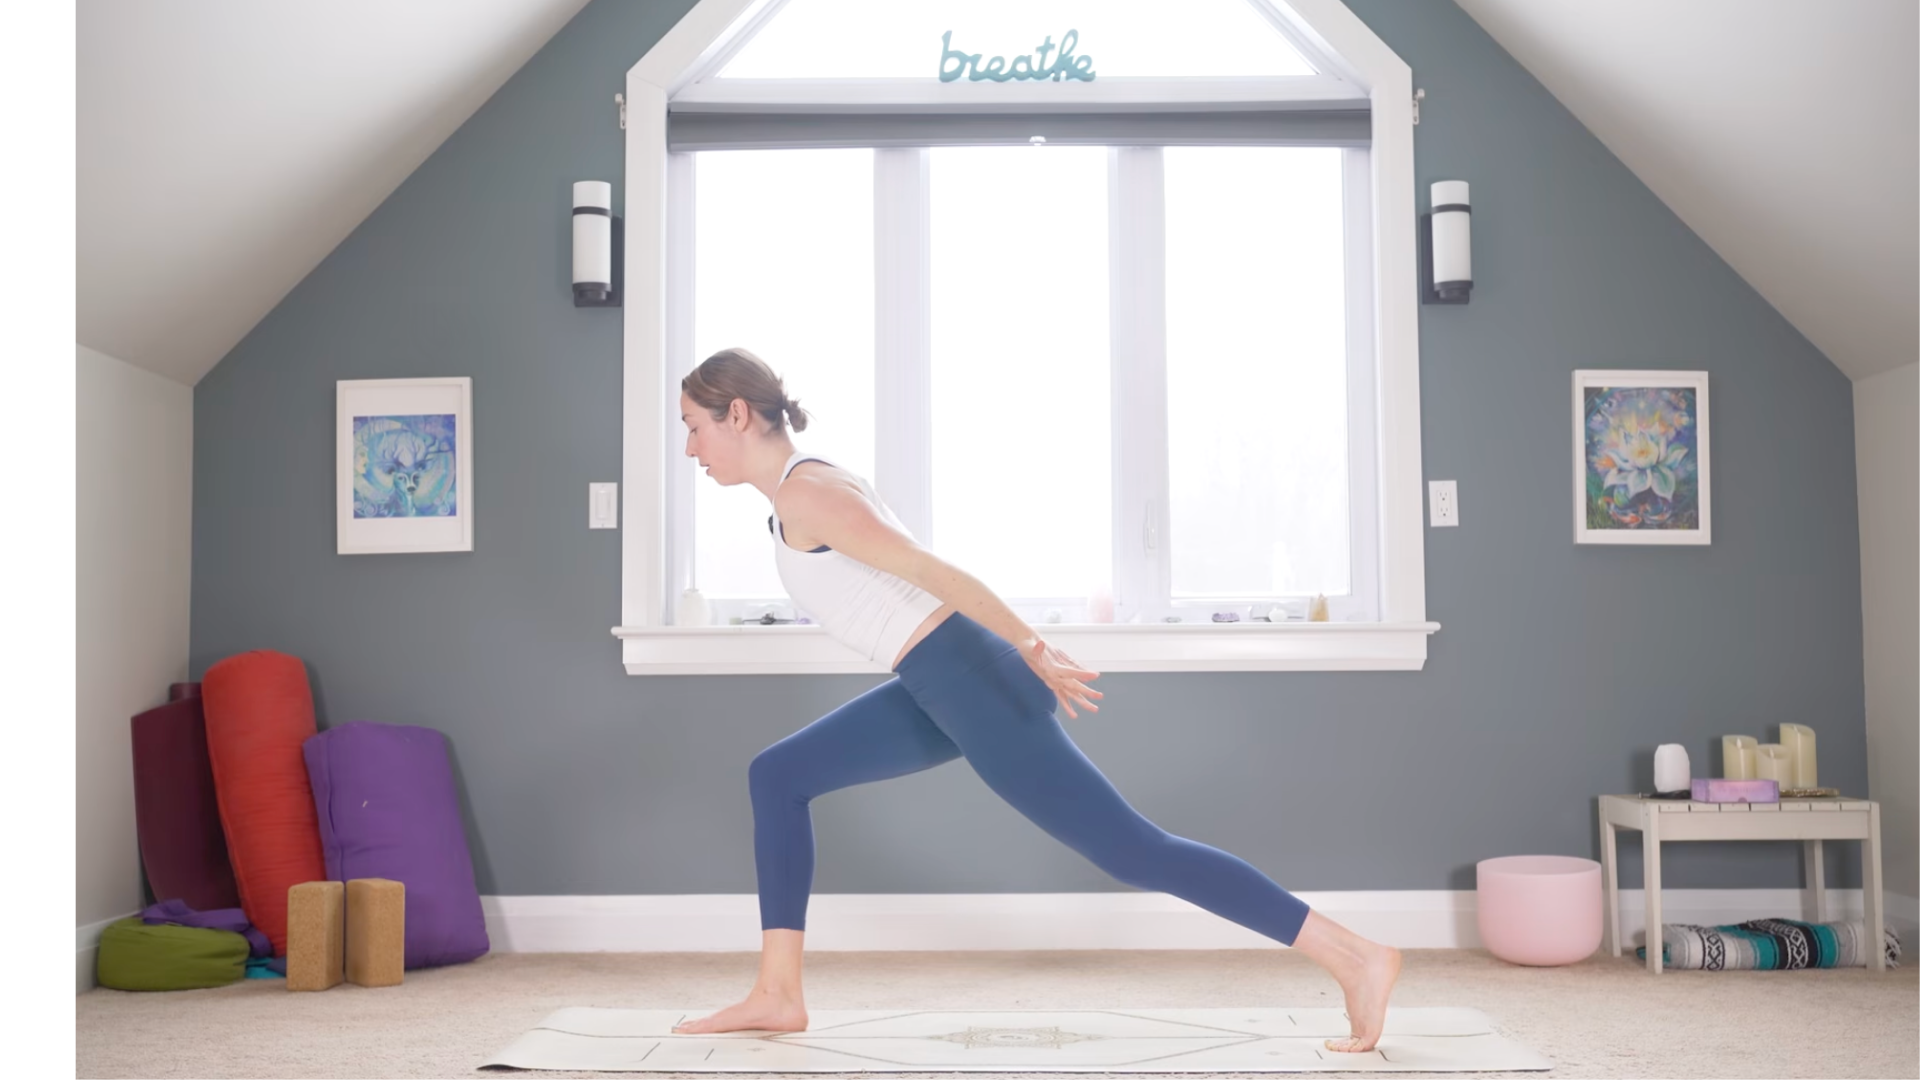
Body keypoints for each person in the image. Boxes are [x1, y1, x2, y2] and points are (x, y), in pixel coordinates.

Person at [668, 347, 1402, 1052]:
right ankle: (778, 993)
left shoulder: (808, 492)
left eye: (694, 428)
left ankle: (1353, 954)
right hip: (935, 679)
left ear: (736, 414)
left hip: (966, 677)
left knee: (1134, 851)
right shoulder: (803, 488)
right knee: (779, 774)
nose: (692, 449)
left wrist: (1031, 646)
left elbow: (933, 570)